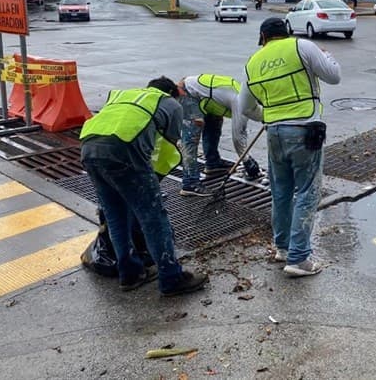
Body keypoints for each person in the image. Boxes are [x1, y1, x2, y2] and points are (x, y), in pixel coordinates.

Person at [80, 76, 208, 296]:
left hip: (89, 149)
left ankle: (130, 274)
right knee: (153, 215)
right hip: (123, 151)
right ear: (171, 93)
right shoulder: (169, 104)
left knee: (116, 215)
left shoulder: (125, 95)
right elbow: (167, 146)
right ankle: (171, 277)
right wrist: (151, 182)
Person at [239, 17, 341, 277]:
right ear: (286, 32)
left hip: (274, 132)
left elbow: (245, 108)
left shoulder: (253, 62)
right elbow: (334, 77)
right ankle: (298, 259)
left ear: (263, 36)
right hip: (305, 128)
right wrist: (327, 57)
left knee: (281, 191)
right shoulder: (302, 47)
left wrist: (270, 116)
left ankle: (282, 248)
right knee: (307, 191)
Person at [177, 74, 262, 197]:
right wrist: (247, 160)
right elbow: (238, 138)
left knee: (214, 124)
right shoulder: (241, 103)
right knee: (191, 138)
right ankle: (190, 183)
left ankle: (213, 163)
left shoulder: (244, 95)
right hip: (188, 93)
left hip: (208, 98)